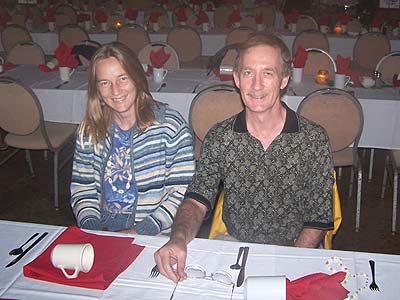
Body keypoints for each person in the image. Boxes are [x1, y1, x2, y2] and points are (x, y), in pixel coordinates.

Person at [155, 33, 334, 282]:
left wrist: (291, 267)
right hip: (233, 246)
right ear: (237, 79)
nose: (257, 85)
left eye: (268, 73)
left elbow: (318, 218)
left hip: (296, 249)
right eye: (249, 73)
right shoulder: (220, 136)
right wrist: (177, 239)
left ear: (284, 79)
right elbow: (196, 200)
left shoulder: (313, 139)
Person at [70, 42, 195, 235]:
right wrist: (94, 229)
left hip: (154, 231)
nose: (115, 90)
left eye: (123, 78)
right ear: (97, 91)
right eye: (105, 82)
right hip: (102, 227)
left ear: (137, 78)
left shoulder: (169, 126)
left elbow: (182, 191)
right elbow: (82, 188)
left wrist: (141, 230)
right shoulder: (89, 130)